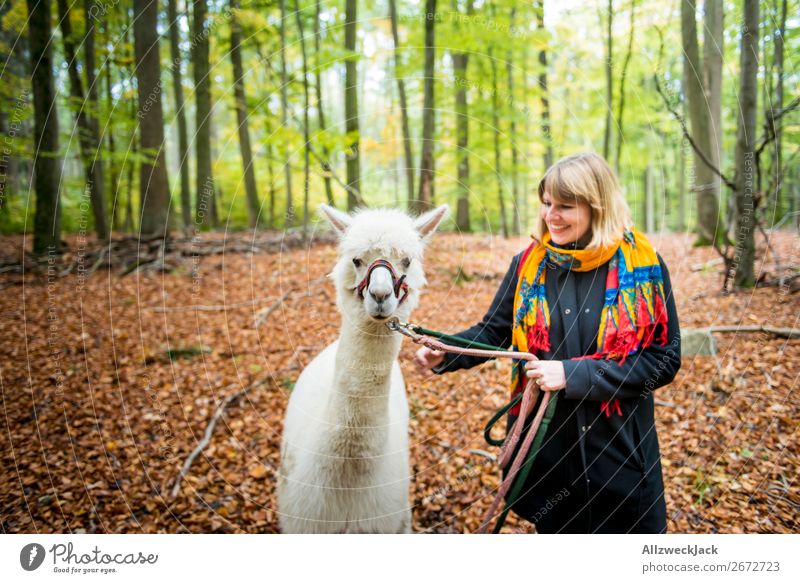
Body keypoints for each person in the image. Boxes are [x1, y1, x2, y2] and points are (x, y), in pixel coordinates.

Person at [414, 152, 681, 533]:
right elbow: (493, 331)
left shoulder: (645, 266)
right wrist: (447, 350)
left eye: (565, 206)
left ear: (597, 205)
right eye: (546, 204)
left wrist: (573, 375)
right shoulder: (529, 264)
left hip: (621, 458)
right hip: (549, 460)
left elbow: (665, 358)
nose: (550, 215)